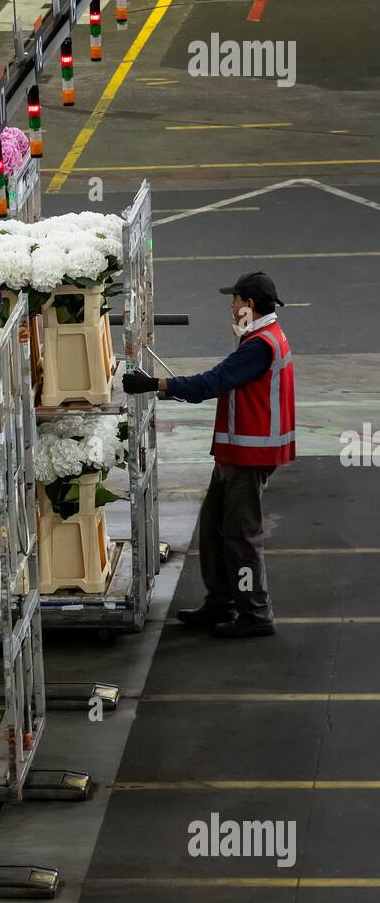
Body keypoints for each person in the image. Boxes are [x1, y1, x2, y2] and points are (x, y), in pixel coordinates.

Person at [123, 271, 295, 639]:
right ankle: (222, 601)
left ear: (249, 305)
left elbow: (211, 383)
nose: (231, 308)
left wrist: (156, 385)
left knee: (240, 537)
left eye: (234, 301)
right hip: (236, 453)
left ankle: (255, 612)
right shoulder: (259, 337)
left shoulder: (260, 346)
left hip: (249, 456)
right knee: (215, 530)